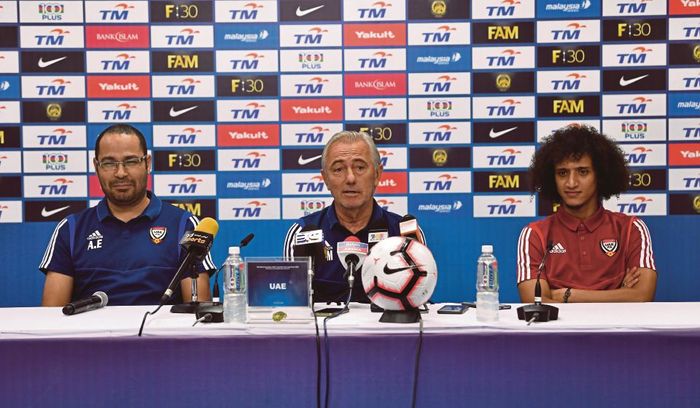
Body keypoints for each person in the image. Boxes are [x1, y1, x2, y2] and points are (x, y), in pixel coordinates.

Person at [40, 124, 215, 306]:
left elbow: (197, 314)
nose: (121, 173)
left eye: (131, 161)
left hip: (161, 334)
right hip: (92, 334)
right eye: (109, 163)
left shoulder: (184, 225)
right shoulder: (71, 229)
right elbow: (51, 317)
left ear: (147, 163)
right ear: (96, 166)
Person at [517, 125, 657, 303]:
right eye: (562, 173)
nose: (571, 182)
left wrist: (568, 294)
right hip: (558, 332)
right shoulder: (535, 235)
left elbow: (642, 296)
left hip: (618, 331)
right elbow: (536, 303)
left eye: (582, 172)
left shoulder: (631, 229)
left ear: (600, 175)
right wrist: (618, 295)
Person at [283, 131, 424, 303]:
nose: (350, 178)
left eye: (360, 167)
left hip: (388, 329)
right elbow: (294, 306)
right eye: (338, 169)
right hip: (324, 330)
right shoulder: (302, 233)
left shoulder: (404, 232)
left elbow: (417, 299)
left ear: (378, 174)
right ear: (325, 178)